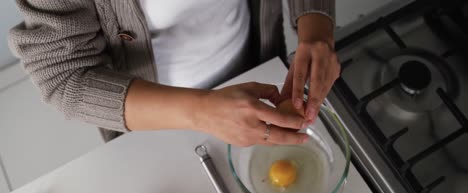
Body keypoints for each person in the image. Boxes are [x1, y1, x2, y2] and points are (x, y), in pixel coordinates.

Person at [9, 0, 340, 146]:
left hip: (259, 68)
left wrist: (316, 26)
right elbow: (63, 75)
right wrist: (201, 112)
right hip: (157, 119)